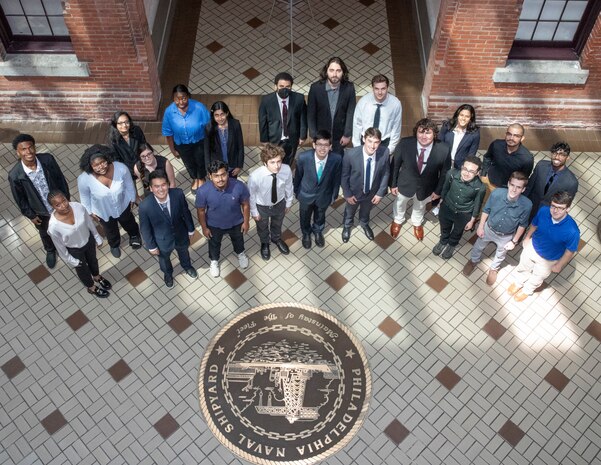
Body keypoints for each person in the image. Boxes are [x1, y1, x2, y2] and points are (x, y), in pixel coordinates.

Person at [8, 133, 70, 269]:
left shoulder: (47, 160)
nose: (28, 152)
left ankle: (68, 244)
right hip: (40, 212)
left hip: (58, 206)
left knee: (64, 226)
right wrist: (31, 215)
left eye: (30, 147)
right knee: (45, 232)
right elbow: (20, 199)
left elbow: (60, 179)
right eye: (23, 149)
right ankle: (50, 250)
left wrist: (66, 199)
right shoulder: (15, 175)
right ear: (17, 152)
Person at [508, 191, 580, 302]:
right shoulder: (543, 211)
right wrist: (527, 237)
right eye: (553, 206)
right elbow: (534, 224)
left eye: (560, 208)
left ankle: (528, 290)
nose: (555, 211)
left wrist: (560, 265)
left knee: (538, 277)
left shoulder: (572, 231)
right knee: (523, 266)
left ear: (568, 209)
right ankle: (518, 282)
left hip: (549, 260)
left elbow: (570, 251)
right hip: (532, 247)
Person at [462, 171, 532, 285]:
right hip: (488, 229)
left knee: (501, 254)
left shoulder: (527, 205)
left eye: (518, 187)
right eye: (512, 185)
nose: (514, 189)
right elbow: (486, 210)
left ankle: (494, 269)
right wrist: (480, 227)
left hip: (506, 236)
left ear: (523, 189)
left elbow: (522, 224)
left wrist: (514, 242)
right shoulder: (497, 193)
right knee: (478, 246)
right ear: (508, 184)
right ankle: (473, 260)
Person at [389, 118, 451, 241]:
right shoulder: (405, 143)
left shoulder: (444, 149)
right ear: (416, 132)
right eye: (421, 132)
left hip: (427, 187)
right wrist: (393, 184)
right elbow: (395, 165)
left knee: (420, 205)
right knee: (400, 203)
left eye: (428, 133)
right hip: (405, 184)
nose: (424, 136)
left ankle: (417, 223)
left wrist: (438, 191)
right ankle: (398, 219)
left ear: (434, 134)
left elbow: (444, 173)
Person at [77, 144, 141, 258]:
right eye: (96, 165)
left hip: (123, 204)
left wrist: (132, 197)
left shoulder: (121, 168)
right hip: (103, 211)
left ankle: (134, 236)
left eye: (103, 162)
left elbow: (129, 183)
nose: (101, 167)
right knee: (110, 230)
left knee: (129, 222)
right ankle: (114, 244)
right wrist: (90, 212)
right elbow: (85, 197)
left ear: (107, 159)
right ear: (90, 166)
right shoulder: (84, 179)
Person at [46, 190, 112, 298]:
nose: (63, 206)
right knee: (82, 269)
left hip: (88, 241)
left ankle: (96, 276)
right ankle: (91, 287)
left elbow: (89, 223)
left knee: (93, 260)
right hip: (74, 250)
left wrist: (97, 237)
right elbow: (60, 247)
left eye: (64, 201)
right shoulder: (53, 226)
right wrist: (71, 260)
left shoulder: (78, 207)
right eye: (58, 205)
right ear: (53, 207)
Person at [139, 170, 198, 288]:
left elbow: (185, 212)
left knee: (184, 252)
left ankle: (187, 266)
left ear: (168, 184)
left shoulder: (178, 194)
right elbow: (145, 228)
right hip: (162, 241)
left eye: (163, 185)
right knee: (164, 259)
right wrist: (151, 246)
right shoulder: (145, 206)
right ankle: (168, 274)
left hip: (181, 234)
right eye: (156, 186)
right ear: (150, 188)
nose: (161, 189)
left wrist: (191, 229)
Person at [196, 160, 250, 277]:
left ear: (227, 173)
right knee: (214, 244)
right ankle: (214, 261)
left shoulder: (239, 186)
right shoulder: (203, 191)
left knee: (238, 240)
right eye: (216, 176)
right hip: (214, 225)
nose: (220, 179)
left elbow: (245, 205)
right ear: (210, 176)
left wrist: (246, 222)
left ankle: (240, 253)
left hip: (236, 222)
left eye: (223, 174)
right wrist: (204, 228)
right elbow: (200, 211)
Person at [293, 130, 342, 249]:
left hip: (324, 195)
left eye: (326, 145)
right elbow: (298, 176)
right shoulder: (303, 157)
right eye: (319, 144)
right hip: (305, 195)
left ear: (330, 147)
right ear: (314, 145)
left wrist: (334, 196)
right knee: (304, 216)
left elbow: (337, 179)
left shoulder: (336, 159)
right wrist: (297, 192)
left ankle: (318, 231)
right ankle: (306, 233)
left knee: (320, 215)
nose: (322, 148)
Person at [341, 127, 389, 243]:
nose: (373, 146)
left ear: (380, 142)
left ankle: (364, 223)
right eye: (370, 141)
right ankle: (347, 226)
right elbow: (344, 176)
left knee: (366, 211)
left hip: (372, 193)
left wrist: (380, 193)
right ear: (364, 139)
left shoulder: (385, 152)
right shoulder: (350, 154)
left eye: (376, 142)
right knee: (350, 211)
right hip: (354, 193)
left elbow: (386, 173)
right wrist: (347, 194)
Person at [162, 84, 211, 193]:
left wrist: (210, 145)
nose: (181, 102)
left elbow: (209, 126)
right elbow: (168, 133)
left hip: (199, 142)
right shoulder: (169, 112)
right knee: (188, 162)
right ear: (173, 99)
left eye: (183, 98)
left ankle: (201, 177)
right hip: (181, 144)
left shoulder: (199, 107)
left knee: (200, 161)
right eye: (177, 99)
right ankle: (195, 178)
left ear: (188, 96)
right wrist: (172, 150)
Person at [248, 143, 294, 260]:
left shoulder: (286, 169)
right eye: (272, 162)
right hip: (262, 207)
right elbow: (251, 195)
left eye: (279, 161)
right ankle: (264, 243)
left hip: (279, 204)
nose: (277, 166)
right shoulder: (255, 176)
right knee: (262, 227)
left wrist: (288, 202)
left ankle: (276, 238)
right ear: (265, 163)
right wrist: (254, 212)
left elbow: (289, 186)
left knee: (277, 224)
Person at [433, 156, 485, 259]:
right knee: (444, 227)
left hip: (464, 213)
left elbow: (477, 204)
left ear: (478, 172)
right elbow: (445, 189)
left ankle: (452, 245)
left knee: (457, 232)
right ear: (461, 167)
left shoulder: (480, 187)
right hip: (447, 207)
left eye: (471, 171)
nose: (466, 173)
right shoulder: (451, 174)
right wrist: (440, 203)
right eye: (465, 169)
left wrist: (472, 221)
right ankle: (443, 241)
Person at [308, 57, 356, 155]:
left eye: (338, 71)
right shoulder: (315, 88)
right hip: (321, 136)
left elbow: (350, 112)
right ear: (326, 71)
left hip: (339, 137)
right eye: (331, 70)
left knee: (338, 163)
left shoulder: (349, 88)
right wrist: (314, 135)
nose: (334, 74)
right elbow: (310, 113)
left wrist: (347, 134)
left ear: (343, 72)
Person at [258, 72, 307, 166]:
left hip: (292, 138)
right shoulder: (266, 100)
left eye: (288, 86)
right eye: (281, 86)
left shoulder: (299, 99)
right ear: (275, 86)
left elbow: (303, 118)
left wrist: (302, 136)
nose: (284, 89)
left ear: (291, 87)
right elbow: (262, 121)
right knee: (274, 163)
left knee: (288, 162)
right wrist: (264, 139)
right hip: (274, 139)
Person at [524, 141, 578, 222]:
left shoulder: (571, 182)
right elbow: (529, 186)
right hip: (529, 206)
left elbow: (565, 204)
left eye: (562, 155)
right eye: (555, 153)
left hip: (547, 215)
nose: (557, 157)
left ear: (567, 158)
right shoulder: (541, 165)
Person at [481, 123, 533, 200]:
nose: (511, 138)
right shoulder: (496, 144)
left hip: (507, 191)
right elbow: (487, 157)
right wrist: (483, 174)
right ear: (506, 134)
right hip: (489, 182)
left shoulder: (526, 158)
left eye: (516, 136)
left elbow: (523, 178)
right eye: (509, 134)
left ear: (522, 138)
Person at [352, 74, 402, 153]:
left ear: (388, 88)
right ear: (372, 88)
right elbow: (357, 124)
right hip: (365, 141)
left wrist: (390, 150)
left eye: (383, 89)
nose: (380, 92)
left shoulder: (395, 104)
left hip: (384, 143)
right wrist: (357, 147)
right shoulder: (363, 102)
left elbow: (396, 128)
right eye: (376, 89)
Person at [205, 101, 245, 177]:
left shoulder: (235, 124)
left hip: (232, 167)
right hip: (217, 169)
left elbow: (240, 146)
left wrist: (239, 166)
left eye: (222, 114)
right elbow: (206, 151)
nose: (220, 118)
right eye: (216, 115)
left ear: (227, 113)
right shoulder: (208, 128)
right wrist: (208, 169)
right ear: (213, 116)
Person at [437, 103, 480, 169]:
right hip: (444, 161)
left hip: (460, 165)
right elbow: (439, 144)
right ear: (457, 115)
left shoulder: (474, 133)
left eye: (467, 116)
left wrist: (464, 167)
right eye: (461, 115)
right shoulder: (447, 126)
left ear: (471, 118)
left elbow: (471, 154)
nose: (463, 118)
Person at [107, 110, 147, 179]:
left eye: (126, 122)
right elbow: (116, 160)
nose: (124, 125)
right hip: (127, 171)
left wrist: (141, 164)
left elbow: (143, 146)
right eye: (120, 123)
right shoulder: (112, 141)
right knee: (132, 189)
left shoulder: (136, 130)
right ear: (115, 124)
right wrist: (132, 171)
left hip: (142, 165)